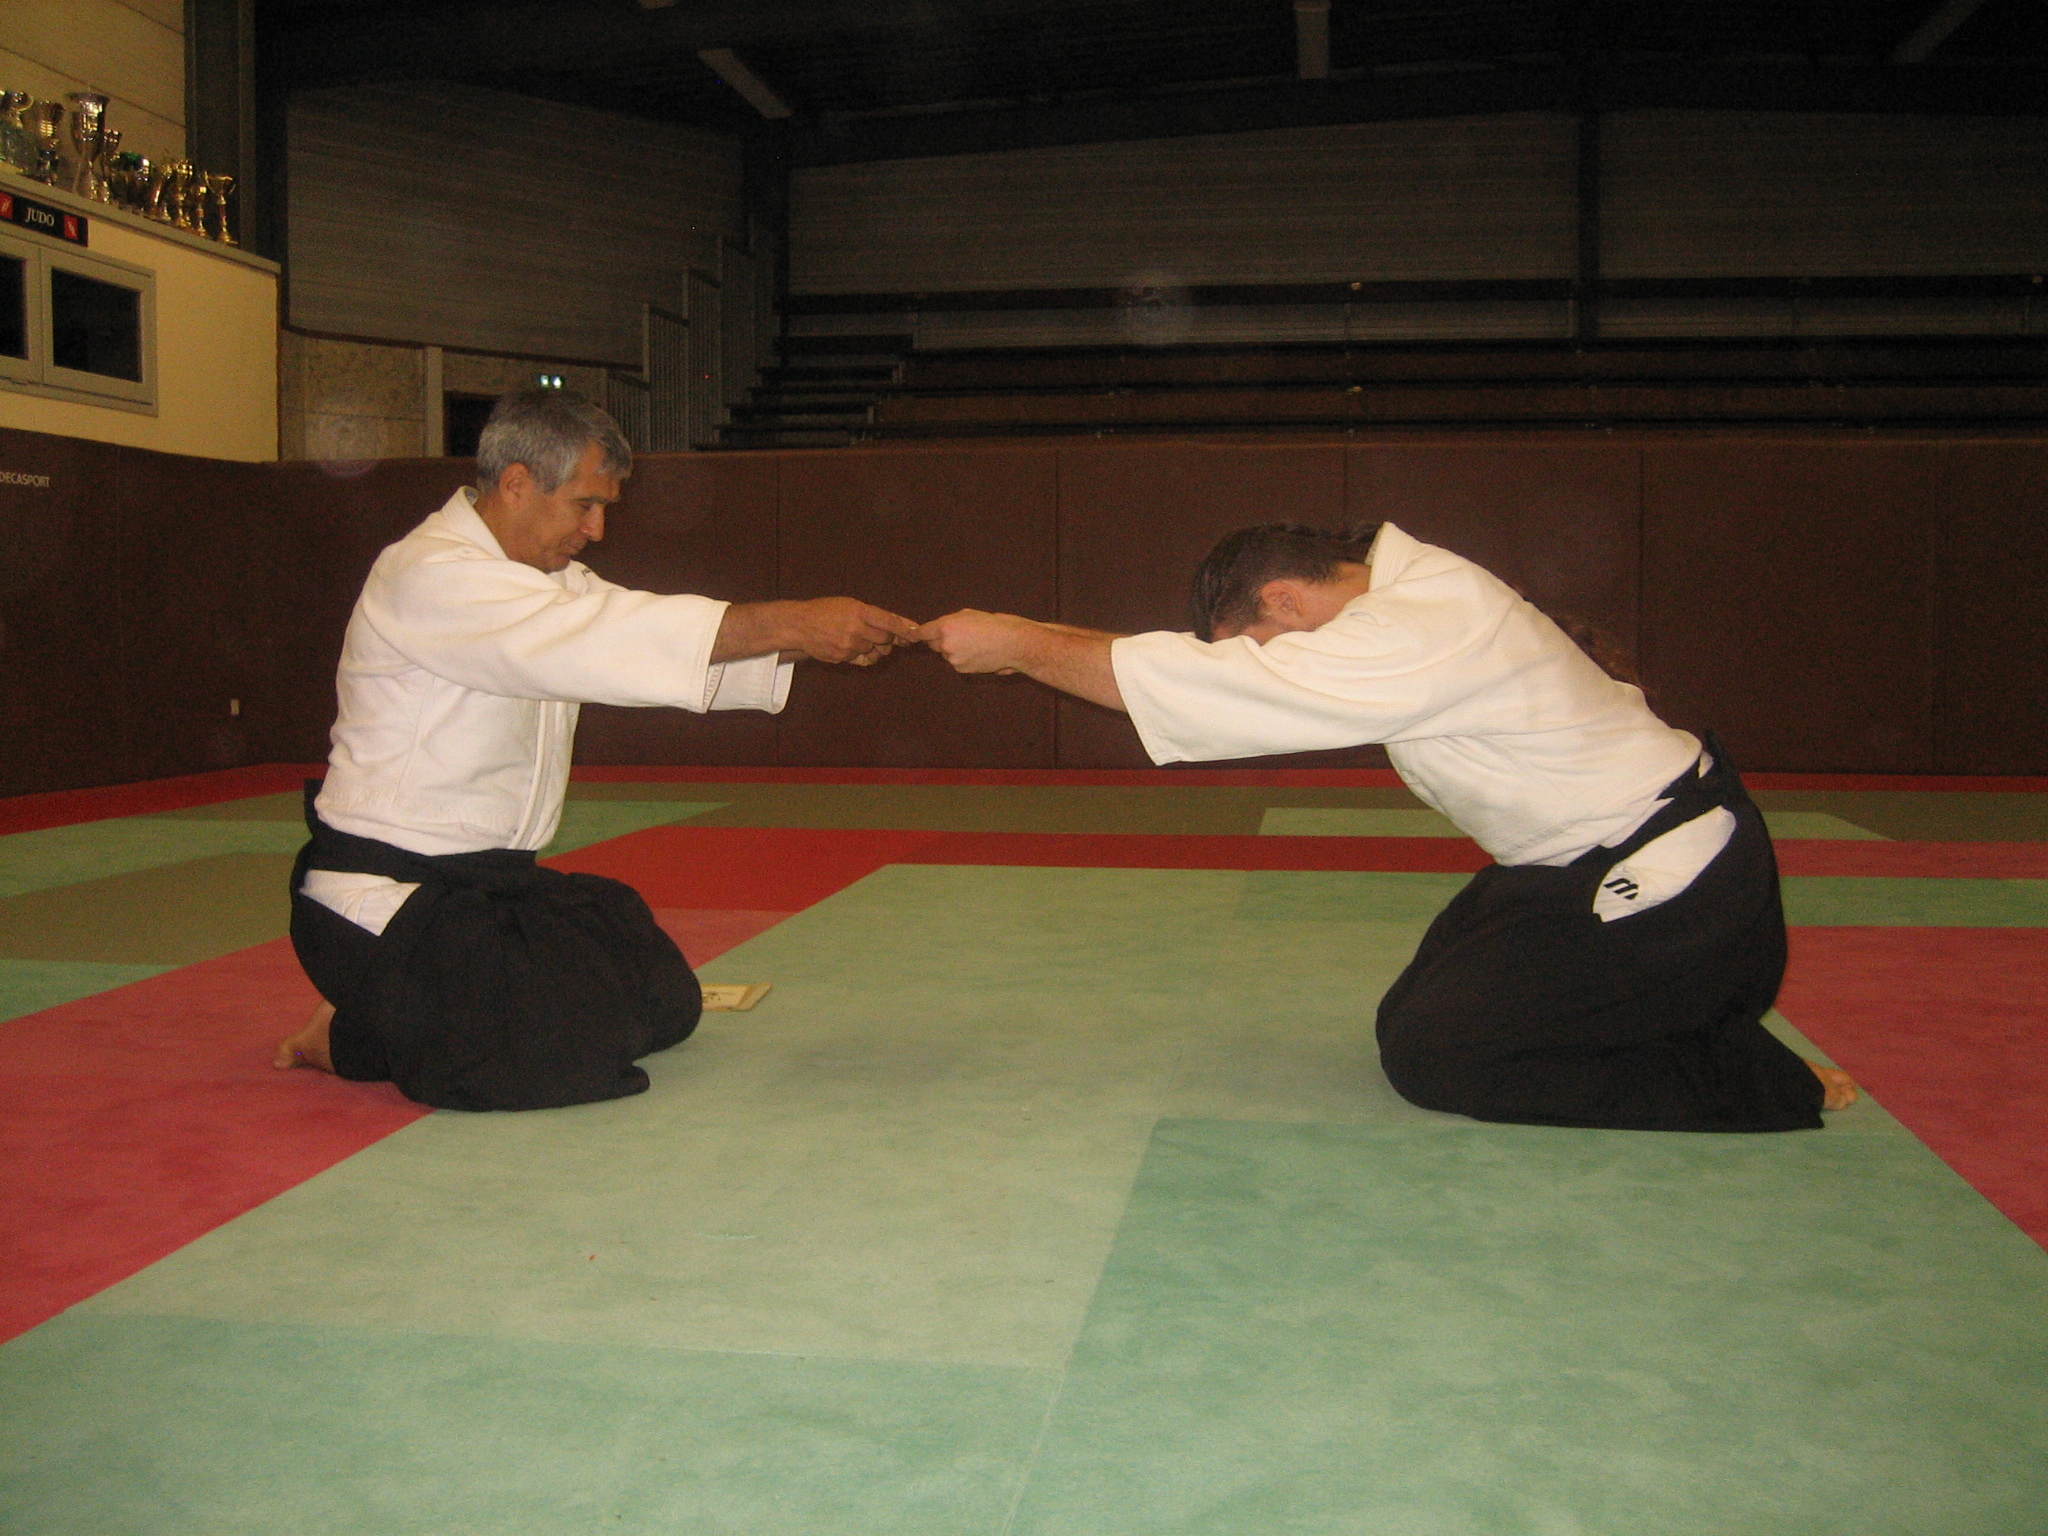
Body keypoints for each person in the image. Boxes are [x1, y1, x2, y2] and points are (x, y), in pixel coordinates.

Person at [914, 521, 1857, 1134]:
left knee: (1439, 1057)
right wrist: (1034, 656)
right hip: (1581, 866)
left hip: (1681, 895)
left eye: (1261, 643)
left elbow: (1226, 697)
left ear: (1281, 600)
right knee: (1409, 1017)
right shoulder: (1425, 602)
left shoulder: (1418, 619)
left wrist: (1025, 643)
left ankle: (1754, 1079)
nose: (1270, 665)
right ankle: (1670, 1014)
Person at [275, 387, 918, 1110]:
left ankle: (399, 1010)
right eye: (585, 504)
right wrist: (795, 624)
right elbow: (609, 636)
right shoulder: (428, 574)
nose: (599, 528)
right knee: (552, 1050)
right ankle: (349, 1034)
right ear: (516, 483)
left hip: (489, 888)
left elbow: (630, 645)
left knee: (662, 997)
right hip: (380, 896)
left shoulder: (550, 583)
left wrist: (818, 646)